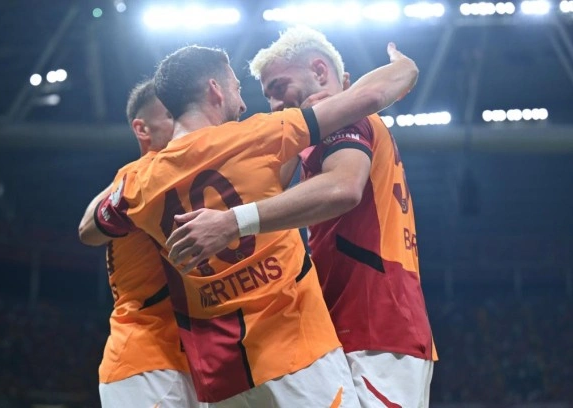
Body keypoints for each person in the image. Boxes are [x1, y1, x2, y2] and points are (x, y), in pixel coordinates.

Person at [86, 43, 418, 407]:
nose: (244, 105)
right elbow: (374, 96)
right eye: (236, 88)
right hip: (297, 351)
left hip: (221, 375)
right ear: (215, 90)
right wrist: (405, 64)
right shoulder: (255, 137)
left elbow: (89, 230)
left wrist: (129, 181)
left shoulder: (136, 183)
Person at [166, 26, 436, 407]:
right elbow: (269, 186)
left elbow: (343, 187)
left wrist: (232, 222)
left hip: (373, 323)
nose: (274, 104)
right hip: (365, 321)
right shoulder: (330, 129)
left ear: (320, 72)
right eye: (268, 96)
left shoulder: (346, 117)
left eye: (279, 87)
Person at [78, 80, 198, 407]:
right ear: (142, 129)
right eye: (172, 115)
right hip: (146, 360)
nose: (185, 122)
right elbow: (86, 229)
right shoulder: (142, 174)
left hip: (188, 361)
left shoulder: (160, 174)